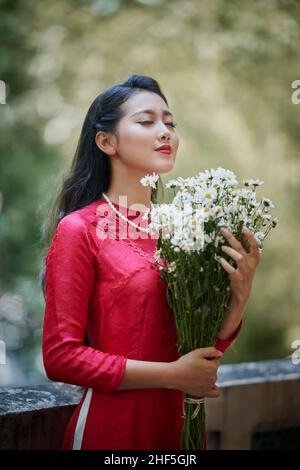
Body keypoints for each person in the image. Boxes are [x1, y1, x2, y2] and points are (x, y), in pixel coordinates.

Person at [40, 74, 243, 450]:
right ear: (106, 141)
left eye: (170, 122)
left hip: (179, 427)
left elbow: (195, 349)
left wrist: (239, 295)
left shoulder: (183, 229)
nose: (165, 132)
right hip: (114, 430)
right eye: (147, 121)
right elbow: (61, 357)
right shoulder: (80, 229)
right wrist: (172, 375)